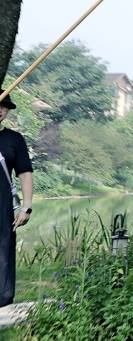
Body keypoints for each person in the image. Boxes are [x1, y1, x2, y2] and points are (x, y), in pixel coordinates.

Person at [0, 96, 33, 308]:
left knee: (3, 253)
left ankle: (3, 302)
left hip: (2, 208)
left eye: (4, 106)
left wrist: (27, 206)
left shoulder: (15, 139)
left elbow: (25, 173)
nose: (0, 110)